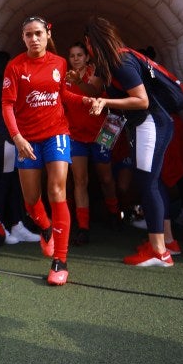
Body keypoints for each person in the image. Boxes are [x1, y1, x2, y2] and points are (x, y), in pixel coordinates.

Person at [76, 16, 176, 267]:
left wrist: (106, 102)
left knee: (147, 182)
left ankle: (159, 252)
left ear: (91, 41)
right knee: (153, 180)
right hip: (142, 123)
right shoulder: (105, 63)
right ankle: (167, 241)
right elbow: (93, 90)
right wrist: (77, 81)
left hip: (151, 121)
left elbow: (141, 100)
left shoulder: (121, 61)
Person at [2, 16, 82, 285]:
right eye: (28, 35)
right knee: (31, 201)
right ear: (22, 38)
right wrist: (17, 137)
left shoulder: (59, 63)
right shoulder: (14, 67)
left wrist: (88, 100)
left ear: (48, 34)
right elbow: (7, 105)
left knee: (57, 191)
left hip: (57, 134)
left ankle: (60, 259)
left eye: (38, 33)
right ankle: (46, 228)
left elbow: (63, 96)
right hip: (27, 140)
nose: (33, 39)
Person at [64, 41, 121, 243]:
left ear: (87, 57)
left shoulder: (96, 72)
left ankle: (115, 214)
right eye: (72, 56)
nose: (76, 59)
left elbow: (94, 92)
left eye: (80, 55)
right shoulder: (64, 77)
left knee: (106, 179)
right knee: (80, 181)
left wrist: (78, 82)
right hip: (76, 135)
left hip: (101, 133)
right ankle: (83, 227)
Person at [0, 51, 39, 245]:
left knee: (12, 181)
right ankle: (1, 227)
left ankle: (16, 224)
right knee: (5, 182)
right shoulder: (1, 87)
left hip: (5, 140)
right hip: (5, 140)